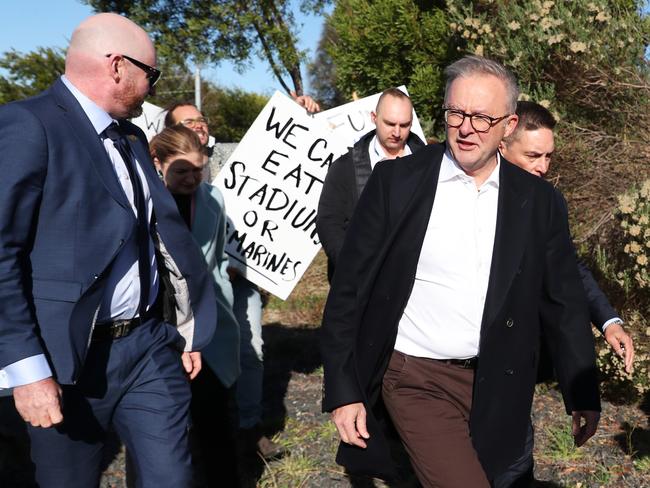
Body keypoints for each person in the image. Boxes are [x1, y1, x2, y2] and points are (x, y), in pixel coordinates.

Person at [320, 55, 601, 488]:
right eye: (457, 114)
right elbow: (349, 290)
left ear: (508, 126)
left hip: (501, 382)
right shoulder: (395, 183)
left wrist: (582, 392)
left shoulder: (539, 203)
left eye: (483, 118)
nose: (467, 128)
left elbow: (563, 299)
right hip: (414, 378)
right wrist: (343, 390)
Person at [0, 13, 216, 488]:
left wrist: (183, 325)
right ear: (118, 66)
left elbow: (161, 239)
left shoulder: (133, 138)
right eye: (150, 74)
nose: (152, 87)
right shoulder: (27, 125)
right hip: (65, 363)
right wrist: (26, 371)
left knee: (171, 479)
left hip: (148, 349)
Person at [165, 94, 320, 460]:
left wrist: (299, 115)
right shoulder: (164, 182)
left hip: (241, 280)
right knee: (191, 362)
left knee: (252, 353)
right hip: (189, 296)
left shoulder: (237, 153)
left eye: (201, 119)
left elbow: (284, 148)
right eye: (188, 123)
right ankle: (192, 435)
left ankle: (249, 428)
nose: (198, 125)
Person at [495, 100, 635, 485]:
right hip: (449, 364)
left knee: (514, 465)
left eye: (549, 156)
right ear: (502, 144)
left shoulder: (548, 202)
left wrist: (608, 322)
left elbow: (568, 270)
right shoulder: (460, 196)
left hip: (513, 364)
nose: (543, 166)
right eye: (533, 155)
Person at [150, 125, 241, 486]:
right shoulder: (144, 201)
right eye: (182, 170)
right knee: (162, 431)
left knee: (215, 420)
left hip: (208, 327)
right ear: (159, 164)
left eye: (198, 170)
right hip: (160, 329)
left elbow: (217, 258)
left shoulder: (213, 199)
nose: (192, 178)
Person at [316, 88, 425, 281]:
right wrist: (351, 267)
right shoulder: (344, 168)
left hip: (416, 284)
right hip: (358, 285)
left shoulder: (428, 164)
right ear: (374, 117)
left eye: (405, 125)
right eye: (390, 123)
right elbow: (328, 222)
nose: (397, 132)